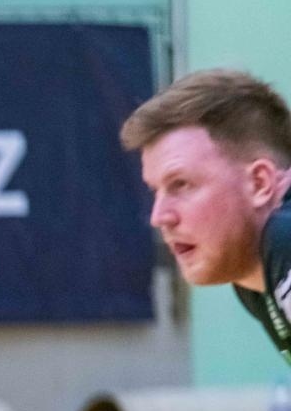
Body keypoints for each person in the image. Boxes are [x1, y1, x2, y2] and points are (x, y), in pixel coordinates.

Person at [121, 68, 291, 361]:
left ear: (259, 183)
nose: (160, 217)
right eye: (156, 191)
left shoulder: (283, 240)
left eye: (181, 184)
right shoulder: (252, 278)